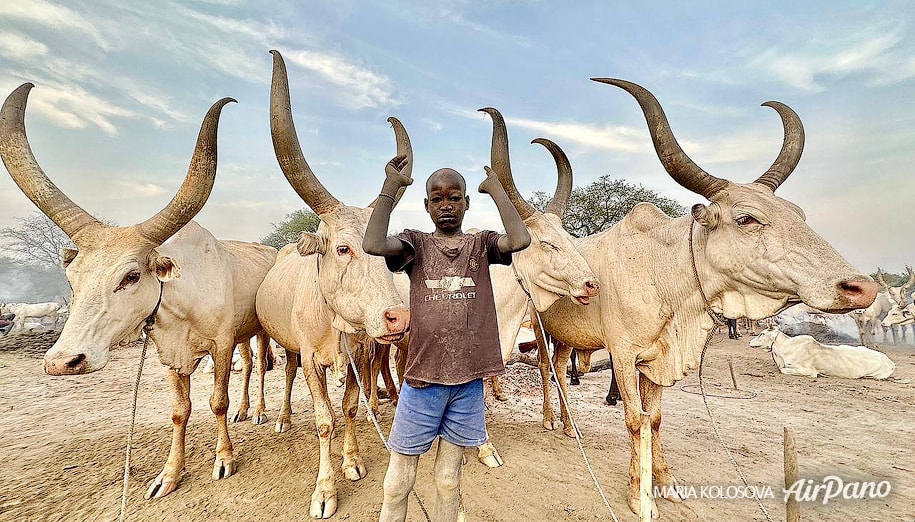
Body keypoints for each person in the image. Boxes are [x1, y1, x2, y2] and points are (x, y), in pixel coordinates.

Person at [363, 154, 531, 522]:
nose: (446, 206)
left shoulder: (481, 245)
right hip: (423, 380)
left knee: (449, 478)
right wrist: (391, 187)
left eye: (454, 198)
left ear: (467, 203)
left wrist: (499, 192)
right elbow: (373, 243)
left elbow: (519, 238)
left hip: (469, 382)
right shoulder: (415, 245)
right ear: (426, 206)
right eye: (437, 199)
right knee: (397, 481)